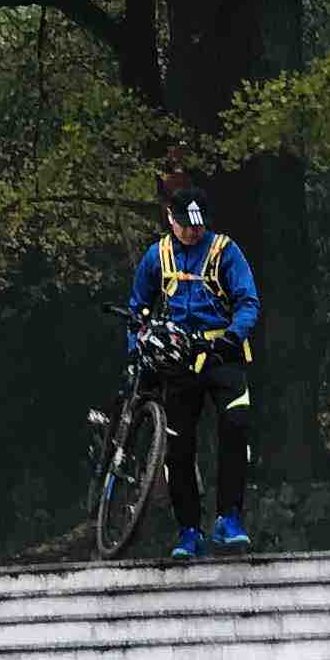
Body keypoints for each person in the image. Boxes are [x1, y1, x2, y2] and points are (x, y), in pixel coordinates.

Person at [128, 173, 259, 564]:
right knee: (178, 446)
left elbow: (248, 301)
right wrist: (137, 348)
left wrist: (232, 336)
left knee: (235, 426)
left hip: (223, 355)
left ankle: (229, 519)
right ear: (171, 219)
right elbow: (137, 308)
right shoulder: (157, 256)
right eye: (186, 225)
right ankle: (189, 529)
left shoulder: (225, 251)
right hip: (178, 361)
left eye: (199, 224)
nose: (192, 232)